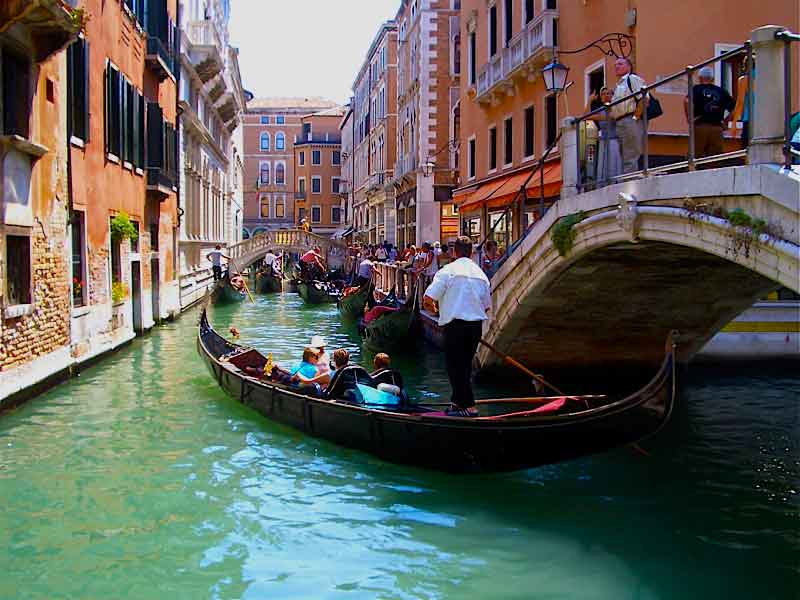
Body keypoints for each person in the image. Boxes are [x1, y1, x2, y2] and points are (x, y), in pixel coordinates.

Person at [423, 236, 491, 417]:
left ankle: (469, 407)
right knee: (464, 366)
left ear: (454, 251)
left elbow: (428, 299)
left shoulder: (447, 271)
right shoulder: (481, 274)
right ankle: (457, 402)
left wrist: (437, 310)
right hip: (475, 327)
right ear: (471, 252)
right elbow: (486, 306)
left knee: (455, 367)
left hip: (455, 326)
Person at [685, 66, 735, 159]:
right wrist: (726, 121)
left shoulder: (696, 89)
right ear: (712, 79)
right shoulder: (722, 91)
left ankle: (694, 172)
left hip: (699, 125)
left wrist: (689, 118)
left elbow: (687, 101)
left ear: (700, 78)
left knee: (695, 157)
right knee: (714, 159)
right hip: (717, 128)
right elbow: (734, 109)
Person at [610, 57, 647, 174]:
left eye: (620, 64)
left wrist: (635, 118)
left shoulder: (633, 79)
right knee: (625, 154)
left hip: (630, 119)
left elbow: (644, 99)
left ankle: (630, 184)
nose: (616, 66)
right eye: (615, 65)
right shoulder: (618, 85)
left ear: (629, 67)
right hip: (620, 122)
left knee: (630, 154)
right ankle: (628, 180)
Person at [587, 87, 622, 186]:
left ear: (612, 95)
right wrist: (590, 100)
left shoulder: (616, 107)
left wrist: (595, 116)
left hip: (614, 140)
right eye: (603, 94)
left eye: (608, 93)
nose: (606, 95)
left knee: (613, 166)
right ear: (601, 98)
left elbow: (609, 117)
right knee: (603, 167)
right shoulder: (601, 110)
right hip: (603, 141)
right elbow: (586, 116)